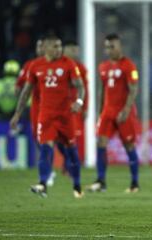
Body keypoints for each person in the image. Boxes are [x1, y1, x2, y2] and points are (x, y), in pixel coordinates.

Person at [10, 35, 85, 198]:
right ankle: (43, 183)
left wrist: (79, 101)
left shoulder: (68, 64)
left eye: (60, 46)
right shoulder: (36, 66)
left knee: (72, 152)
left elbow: (80, 86)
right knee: (45, 148)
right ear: (45, 48)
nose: (59, 50)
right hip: (46, 115)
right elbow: (26, 91)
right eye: (55, 46)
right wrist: (17, 114)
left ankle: (77, 185)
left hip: (65, 116)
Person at [87, 33, 140, 193]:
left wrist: (126, 110)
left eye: (112, 46)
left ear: (119, 46)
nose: (109, 50)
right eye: (107, 47)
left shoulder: (129, 65)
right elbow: (102, 91)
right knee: (100, 143)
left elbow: (133, 89)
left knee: (129, 145)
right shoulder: (103, 67)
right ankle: (100, 181)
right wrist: (99, 112)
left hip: (124, 112)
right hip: (107, 112)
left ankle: (134, 183)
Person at [61, 40, 89, 171]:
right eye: (72, 49)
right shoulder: (57, 65)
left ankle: (71, 164)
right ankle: (68, 161)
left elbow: (85, 89)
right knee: (58, 137)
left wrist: (84, 106)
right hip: (58, 106)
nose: (75, 52)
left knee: (73, 136)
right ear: (65, 50)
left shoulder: (81, 68)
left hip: (74, 107)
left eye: (76, 50)